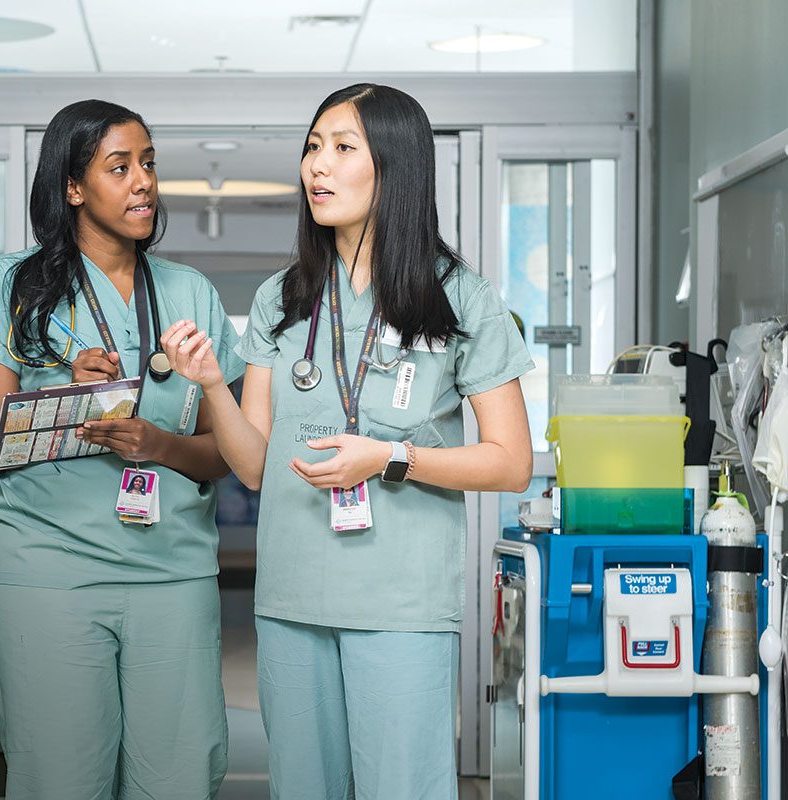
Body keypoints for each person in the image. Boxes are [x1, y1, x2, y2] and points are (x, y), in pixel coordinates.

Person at [160, 83, 534, 799]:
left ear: (394, 168)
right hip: (293, 597)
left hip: (400, 606)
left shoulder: (461, 299)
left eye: (341, 148)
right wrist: (211, 383)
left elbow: (511, 462)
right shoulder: (283, 298)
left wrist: (393, 456)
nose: (317, 168)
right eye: (311, 148)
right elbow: (253, 465)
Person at [0, 99, 243, 799]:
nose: (143, 182)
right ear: (73, 186)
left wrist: (161, 444)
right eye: (120, 167)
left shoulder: (190, 295)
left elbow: (220, 453)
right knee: (62, 780)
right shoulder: (9, 286)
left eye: (148, 164)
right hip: (49, 574)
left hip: (169, 576)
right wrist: (63, 393)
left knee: (177, 780)